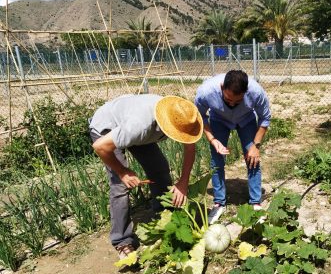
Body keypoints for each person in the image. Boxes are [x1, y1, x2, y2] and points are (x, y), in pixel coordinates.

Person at [89, 94, 203, 259]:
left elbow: (190, 149)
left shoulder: (184, 117)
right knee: (120, 185)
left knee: (160, 170)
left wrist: (183, 182)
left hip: (133, 126)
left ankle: (165, 217)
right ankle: (122, 241)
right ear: (166, 126)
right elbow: (100, 147)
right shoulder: (139, 126)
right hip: (108, 128)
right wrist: (122, 172)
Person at [194, 70, 271, 223]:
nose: (232, 104)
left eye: (238, 101)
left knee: (253, 158)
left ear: (246, 92)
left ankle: (255, 202)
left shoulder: (256, 92)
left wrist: (256, 146)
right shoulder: (206, 92)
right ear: (222, 87)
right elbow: (199, 116)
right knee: (217, 160)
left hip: (246, 120)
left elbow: (265, 118)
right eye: (228, 99)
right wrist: (212, 139)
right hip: (219, 120)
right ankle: (219, 202)